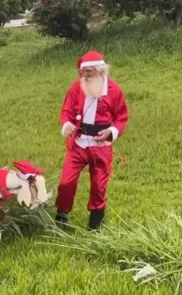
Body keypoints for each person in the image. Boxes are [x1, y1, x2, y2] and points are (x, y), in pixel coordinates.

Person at [55, 50, 129, 231]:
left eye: (90, 72)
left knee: (98, 185)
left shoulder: (113, 90)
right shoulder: (76, 88)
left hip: (101, 146)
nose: (85, 76)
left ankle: (95, 224)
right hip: (78, 144)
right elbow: (66, 112)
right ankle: (61, 216)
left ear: (101, 71)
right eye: (83, 73)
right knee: (66, 182)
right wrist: (67, 125)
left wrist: (111, 132)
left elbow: (121, 117)